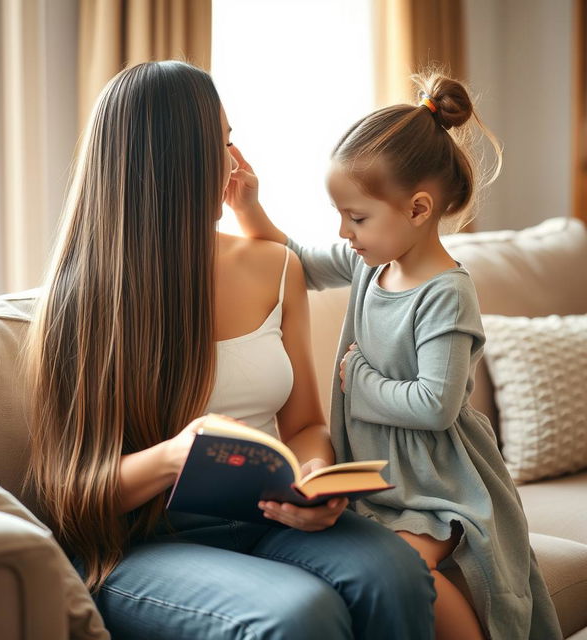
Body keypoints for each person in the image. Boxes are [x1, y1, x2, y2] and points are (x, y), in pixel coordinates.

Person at [25, 60, 435, 640]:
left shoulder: (274, 266)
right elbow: (65, 494)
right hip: (147, 542)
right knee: (297, 616)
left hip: (267, 519)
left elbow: (307, 425)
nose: (235, 163)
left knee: (394, 572)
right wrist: (175, 456)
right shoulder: (83, 299)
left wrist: (313, 475)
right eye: (222, 141)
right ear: (178, 163)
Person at [229, 73, 562, 640]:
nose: (344, 231)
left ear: (418, 209)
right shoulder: (369, 261)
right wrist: (249, 211)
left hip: (439, 482)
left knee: (403, 572)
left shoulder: (446, 293)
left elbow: (437, 404)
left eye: (356, 218)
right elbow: (299, 262)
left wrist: (357, 378)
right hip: (379, 475)